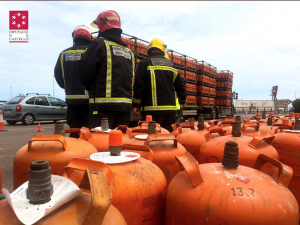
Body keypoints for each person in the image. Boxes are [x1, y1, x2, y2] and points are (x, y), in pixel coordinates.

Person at [79, 10, 135, 130]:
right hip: (124, 108)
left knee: (101, 145)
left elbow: (85, 74)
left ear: (102, 25)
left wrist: (88, 87)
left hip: (102, 108)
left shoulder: (98, 44)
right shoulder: (129, 52)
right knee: (119, 144)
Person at [132, 37, 187, 132]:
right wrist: (182, 100)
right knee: (169, 137)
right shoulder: (172, 65)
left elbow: (139, 85)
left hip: (150, 112)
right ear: (163, 49)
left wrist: (136, 104)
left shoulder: (144, 63)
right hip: (170, 112)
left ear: (149, 50)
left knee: (152, 138)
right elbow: (180, 86)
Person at [54, 25, 91, 138]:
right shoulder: (91, 52)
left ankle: (74, 152)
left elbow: (58, 74)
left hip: (71, 100)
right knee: (88, 132)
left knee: (74, 130)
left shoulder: (64, 54)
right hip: (89, 101)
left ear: (74, 38)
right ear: (89, 37)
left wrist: (67, 86)